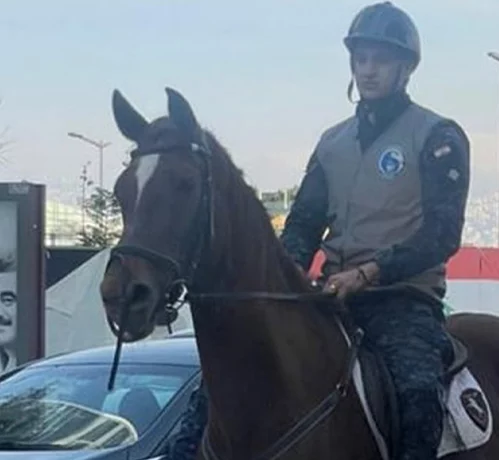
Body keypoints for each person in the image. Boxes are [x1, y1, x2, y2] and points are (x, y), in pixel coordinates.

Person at [166, 3, 470, 459]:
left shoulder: (437, 136)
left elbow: (442, 235)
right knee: (219, 384)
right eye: (360, 59)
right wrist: (282, 276)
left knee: (416, 393)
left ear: (405, 68)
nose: (368, 71)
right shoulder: (332, 142)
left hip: (402, 299)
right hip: (329, 297)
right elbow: (303, 225)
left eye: (380, 61)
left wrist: (368, 272)